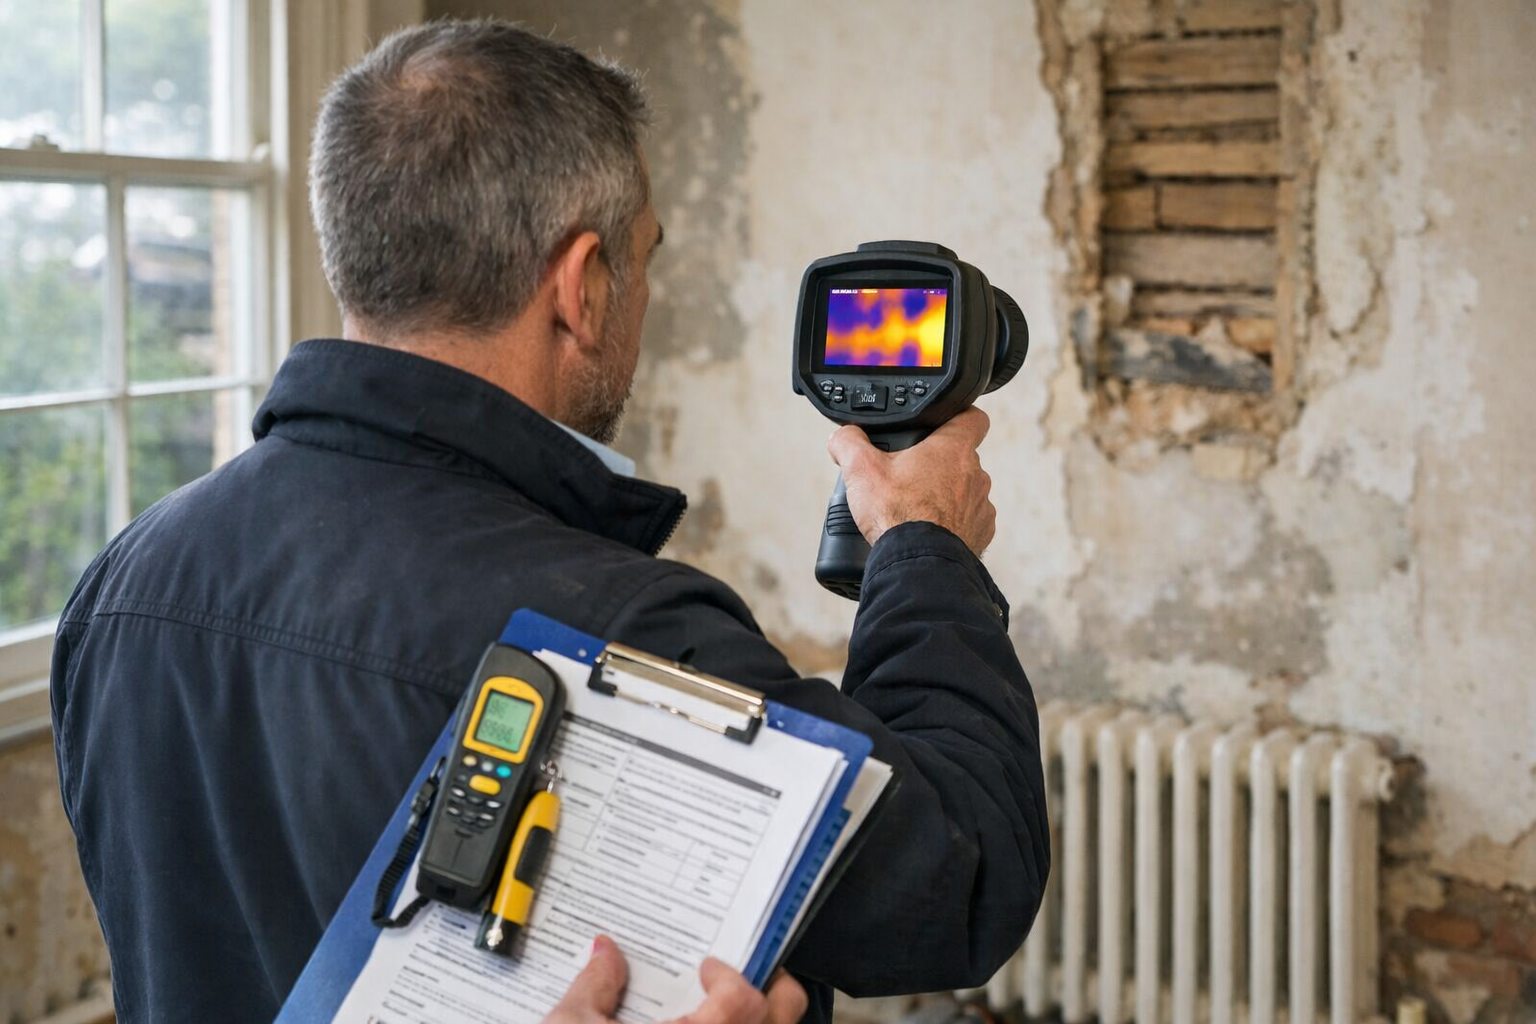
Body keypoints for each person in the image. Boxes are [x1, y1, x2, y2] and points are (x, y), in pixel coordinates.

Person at [50, 19, 1048, 1024]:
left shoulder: (124, 583)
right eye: (645, 257)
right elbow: (962, 873)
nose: (645, 295)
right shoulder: (619, 638)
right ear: (581, 285)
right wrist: (928, 547)